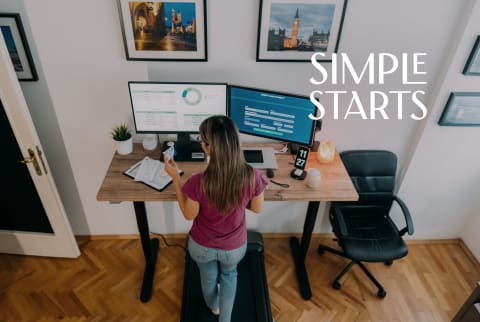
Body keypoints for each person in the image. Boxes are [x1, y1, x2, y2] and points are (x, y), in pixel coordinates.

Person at [163, 115, 268, 322]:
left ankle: (213, 306)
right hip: (234, 248)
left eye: (202, 140)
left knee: (207, 276)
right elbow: (257, 208)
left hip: (202, 246)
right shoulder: (251, 175)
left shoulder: (197, 182)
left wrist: (176, 179)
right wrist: (236, 199)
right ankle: (225, 319)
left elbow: (188, 214)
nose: (200, 143)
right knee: (230, 275)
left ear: (209, 147)